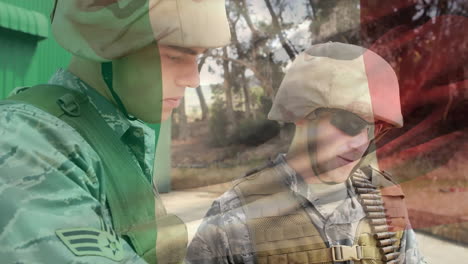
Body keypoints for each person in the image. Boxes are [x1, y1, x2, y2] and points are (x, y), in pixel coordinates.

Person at [0, 0, 230, 263]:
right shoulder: (28, 144)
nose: (193, 79)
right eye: (174, 56)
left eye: (196, 58)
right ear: (104, 45)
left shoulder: (111, 136)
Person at [186, 42, 427, 264]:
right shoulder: (235, 214)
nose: (361, 144)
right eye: (350, 123)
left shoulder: (384, 200)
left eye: (374, 129)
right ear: (302, 113)